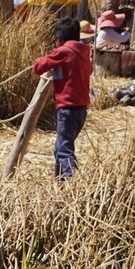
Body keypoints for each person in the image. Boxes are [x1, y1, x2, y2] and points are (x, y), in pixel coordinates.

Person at [32, 17, 92, 179]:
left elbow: (38, 68)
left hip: (67, 108)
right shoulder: (84, 52)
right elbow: (89, 71)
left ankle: (73, 183)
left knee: (64, 149)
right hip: (81, 109)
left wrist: (39, 60)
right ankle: (60, 182)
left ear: (59, 38)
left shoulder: (63, 52)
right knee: (61, 147)